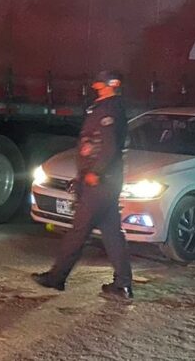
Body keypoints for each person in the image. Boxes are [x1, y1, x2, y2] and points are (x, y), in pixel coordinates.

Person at [32, 70, 134, 300]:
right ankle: (123, 285)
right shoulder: (106, 106)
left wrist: (94, 173)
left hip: (99, 183)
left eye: (101, 83)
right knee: (112, 234)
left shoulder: (109, 109)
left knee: (78, 231)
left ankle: (56, 278)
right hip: (105, 183)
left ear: (110, 85)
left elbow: (108, 145)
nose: (97, 85)